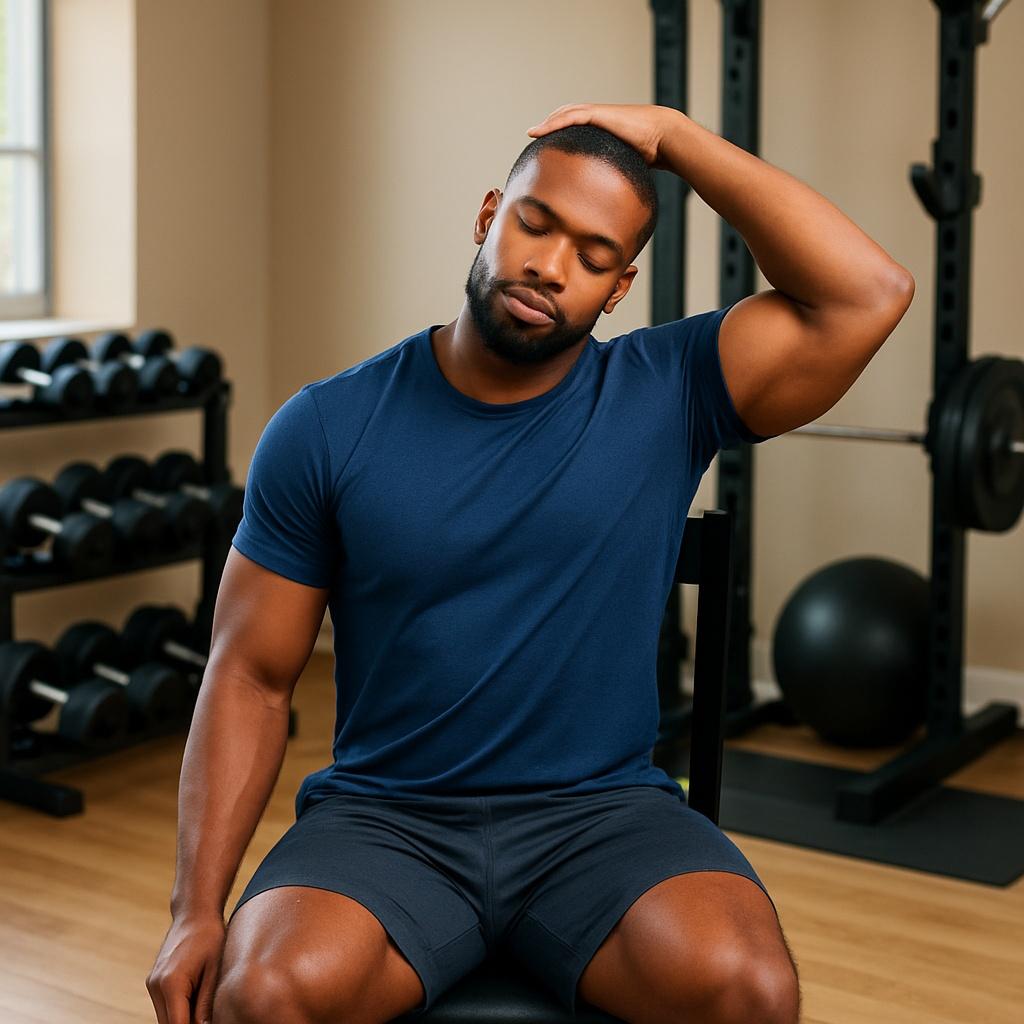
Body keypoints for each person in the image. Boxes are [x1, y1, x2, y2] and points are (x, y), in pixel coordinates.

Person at [146, 102, 914, 1024]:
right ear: (487, 218)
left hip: (603, 819)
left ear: (620, 286)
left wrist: (676, 138)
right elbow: (252, 676)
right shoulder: (326, 427)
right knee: (263, 995)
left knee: (747, 990)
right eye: (534, 224)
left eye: (593, 256)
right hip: (390, 820)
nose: (550, 267)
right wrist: (194, 909)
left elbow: (868, 292)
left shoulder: (670, 390)